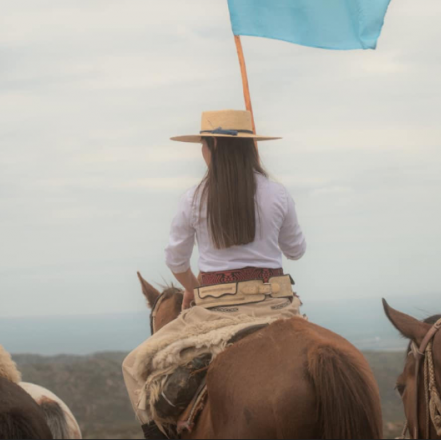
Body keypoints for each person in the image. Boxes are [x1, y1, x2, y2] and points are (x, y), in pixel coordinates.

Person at [122, 110, 307, 440]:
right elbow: (296, 250)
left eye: (203, 145)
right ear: (251, 148)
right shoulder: (278, 194)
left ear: (210, 148)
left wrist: (191, 288)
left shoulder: (192, 199)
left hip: (216, 309)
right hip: (277, 304)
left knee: (133, 367)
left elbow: (175, 259)